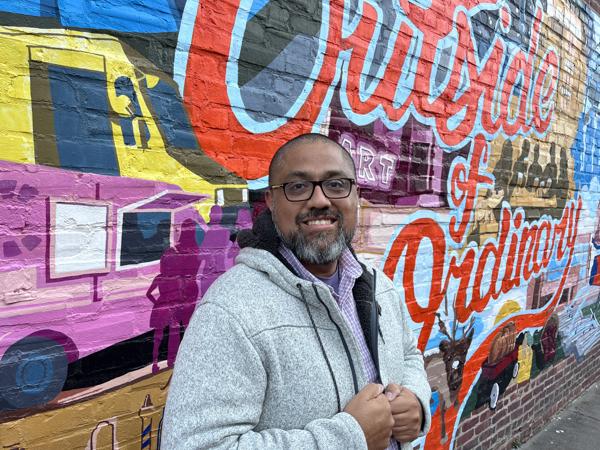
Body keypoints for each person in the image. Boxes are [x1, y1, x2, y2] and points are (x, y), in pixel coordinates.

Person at [162, 133, 431, 449]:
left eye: (336, 184)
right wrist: (348, 438)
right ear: (272, 204)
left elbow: (409, 354)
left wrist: (416, 400)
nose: (319, 200)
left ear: (356, 196)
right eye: (298, 187)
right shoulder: (232, 310)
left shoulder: (377, 285)